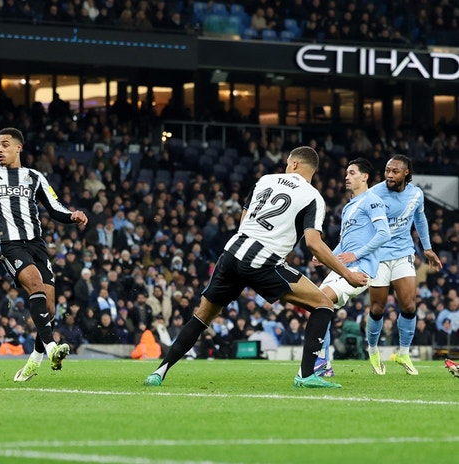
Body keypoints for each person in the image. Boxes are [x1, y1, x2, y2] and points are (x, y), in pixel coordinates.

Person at [142, 146, 368, 389]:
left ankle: (159, 372)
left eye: (287, 162)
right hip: (264, 261)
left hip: (231, 253)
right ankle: (305, 375)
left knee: (202, 316)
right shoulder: (313, 197)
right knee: (323, 304)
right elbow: (313, 243)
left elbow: (245, 219)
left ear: (294, 164)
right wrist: (347, 274)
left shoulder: (265, 180)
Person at [0, 127, 88, 382]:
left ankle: (33, 362)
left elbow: (55, 208)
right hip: (8, 243)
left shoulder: (34, 177)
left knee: (50, 308)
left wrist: (72, 215)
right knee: (35, 284)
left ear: (19, 147)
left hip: (36, 244)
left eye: (5, 144)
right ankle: (52, 348)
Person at [311, 158, 390, 377]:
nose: (347, 177)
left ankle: (321, 364)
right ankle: (323, 364)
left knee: (321, 301)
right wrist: (326, 256)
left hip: (360, 268)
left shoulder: (372, 200)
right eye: (346, 173)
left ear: (365, 177)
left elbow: (384, 233)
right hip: (341, 268)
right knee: (317, 306)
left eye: (352, 173)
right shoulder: (348, 207)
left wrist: (356, 254)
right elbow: (345, 242)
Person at [364, 155, 442, 375]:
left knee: (409, 306)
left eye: (394, 171)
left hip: (403, 253)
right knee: (377, 309)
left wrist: (427, 248)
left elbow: (420, 219)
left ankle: (404, 353)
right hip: (378, 256)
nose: (389, 175)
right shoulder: (374, 194)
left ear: (406, 173)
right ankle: (373, 349)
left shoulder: (416, 194)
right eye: (387, 170)